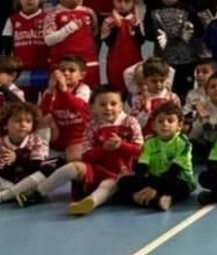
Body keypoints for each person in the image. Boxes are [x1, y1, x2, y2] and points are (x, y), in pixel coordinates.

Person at [34, 85, 142, 216]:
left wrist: (122, 145)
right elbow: (86, 156)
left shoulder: (131, 122)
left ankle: (88, 203)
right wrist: (104, 149)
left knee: (108, 184)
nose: (108, 108)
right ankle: (38, 193)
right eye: (102, 104)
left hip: (122, 173)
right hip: (96, 170)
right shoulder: (91, 126)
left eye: (113, 104)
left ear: (121, 106)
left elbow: (140, 152)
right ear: (93, 107)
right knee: (72, 167)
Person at [115, 105, 195, 211]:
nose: (165, 124)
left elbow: (174, 171)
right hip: (154, 179)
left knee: (181, 188)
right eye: (160, 121)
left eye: (170, 121)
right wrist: (145, 186)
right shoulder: (150, 142)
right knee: (123, 181)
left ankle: (151, 198)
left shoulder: (183, 143)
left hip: (177, 179)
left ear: (179, 125)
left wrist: (154, 188)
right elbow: (141, 167)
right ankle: (151, 199)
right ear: (154, 126)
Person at [146, 0, 205, 97]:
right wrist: (157, 34)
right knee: (164, 93)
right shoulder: (151, 10)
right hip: (163, 62)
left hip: (187, 61)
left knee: (185, 93)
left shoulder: (188, 9)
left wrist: (190, 31)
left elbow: (200, 31)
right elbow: (148, 33)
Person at [45, 0, 99, 86]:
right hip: (63, 67)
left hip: (89, 64)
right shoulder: (53, 14)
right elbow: (48, 40)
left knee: (90, 95)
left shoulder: (89, 12)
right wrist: (69, 28)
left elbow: (94, 33)